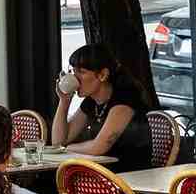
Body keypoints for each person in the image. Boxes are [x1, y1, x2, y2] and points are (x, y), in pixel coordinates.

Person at [51, 43, 153, 173]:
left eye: (81, 72)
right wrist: (64, 102)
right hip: (101, 173)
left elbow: (98, 147)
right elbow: (58, 142)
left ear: (103, 75)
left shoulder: (124, 101)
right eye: (73, 71)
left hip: (128, 177)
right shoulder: (91, 102)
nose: (75, 77)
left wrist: (67, 149)